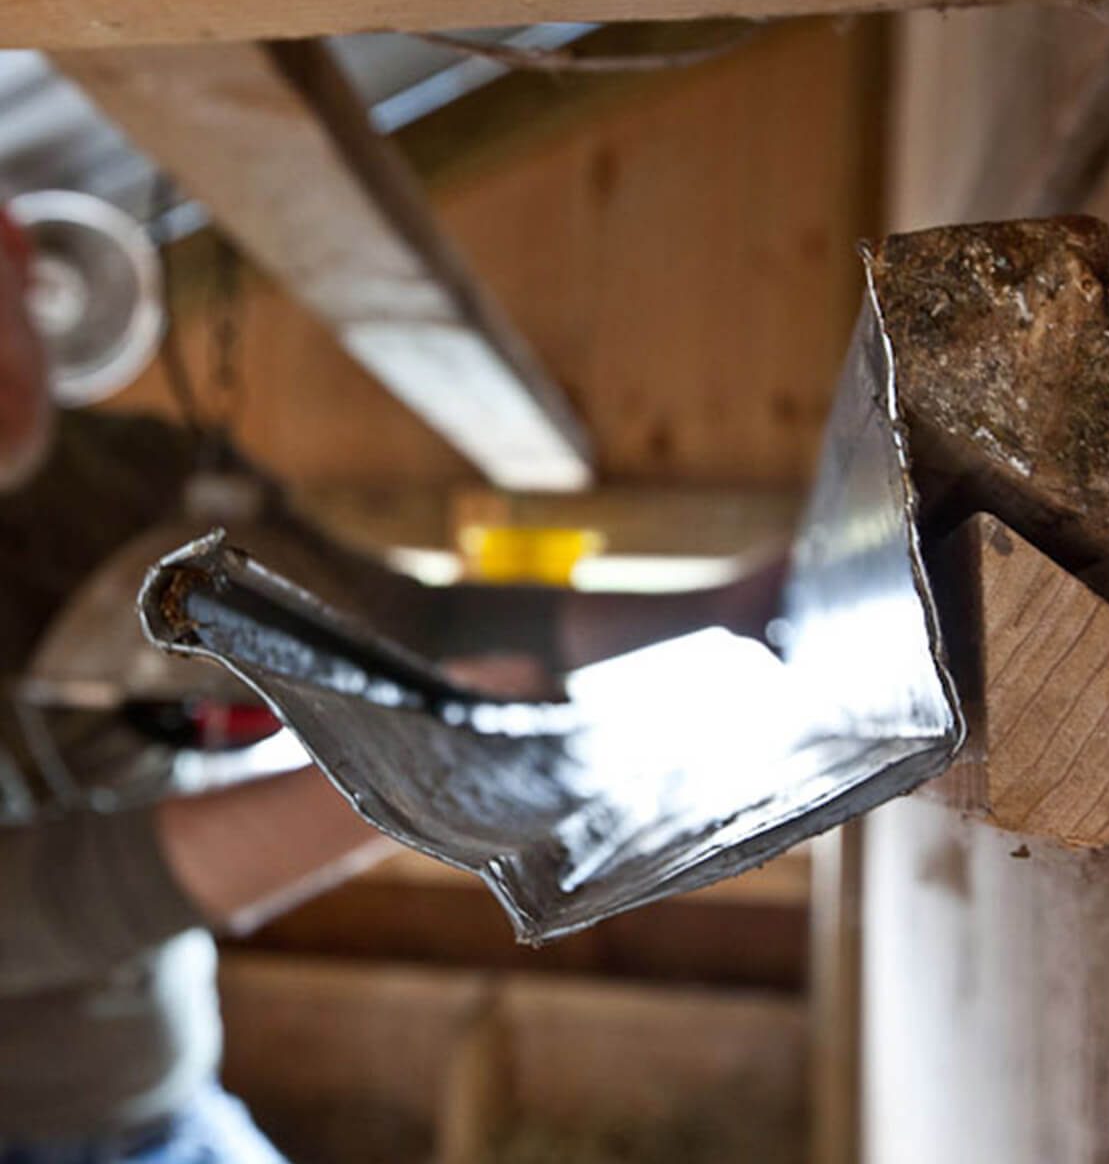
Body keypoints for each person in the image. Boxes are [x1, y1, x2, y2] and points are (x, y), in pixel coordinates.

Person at [0, 224, 785, 1161]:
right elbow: (38, 896)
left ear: (16, 254)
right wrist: (425, 773)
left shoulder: (123, 479)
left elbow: (404, 624)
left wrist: (718, 607)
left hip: (164, 1102)